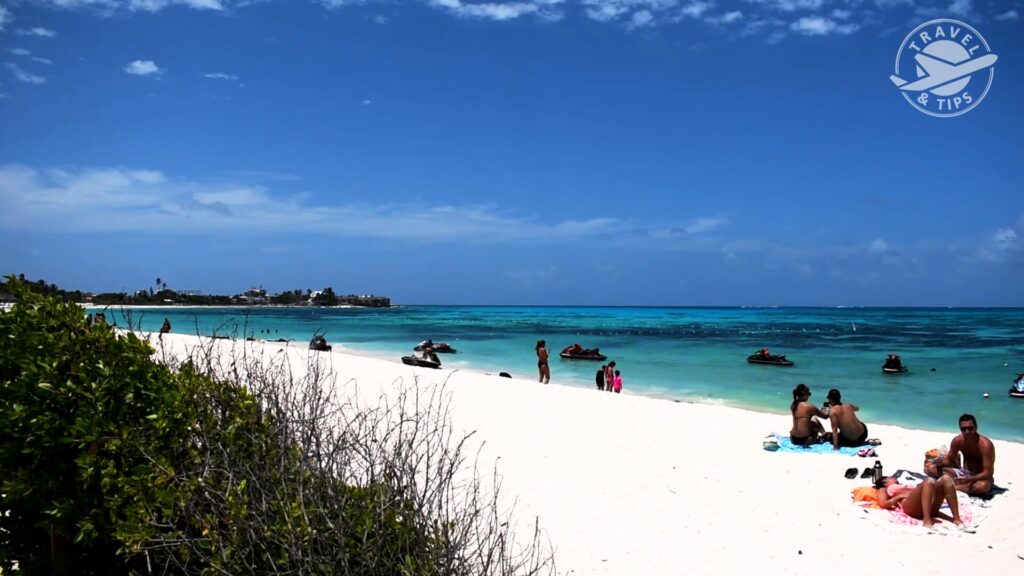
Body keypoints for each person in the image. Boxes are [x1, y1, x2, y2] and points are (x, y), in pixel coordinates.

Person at [873, 476, 971, 531]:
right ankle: (927, 520)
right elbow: (883, 504)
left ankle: (957, 519)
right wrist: (898, 497)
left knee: (946, 478)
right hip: (910, 506)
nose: (895, 478)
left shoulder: (903, 485)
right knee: (929, 481)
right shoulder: (884, 489)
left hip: (928, 504)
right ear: (884, 481)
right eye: (891, 477)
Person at [934, 413, 995, 495]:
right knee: (930, 468)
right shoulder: (957, 441)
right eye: (964, 429)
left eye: (970, 428)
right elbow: (949, 461)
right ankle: (961, 486)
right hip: (964, 473)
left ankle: (954, 487)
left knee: (983, 486)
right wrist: (939, 463)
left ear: (976, 427)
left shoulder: (985, 445)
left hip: (980, 477)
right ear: (960, 429)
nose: (967, 431)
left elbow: (988, 473)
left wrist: (970, 479)